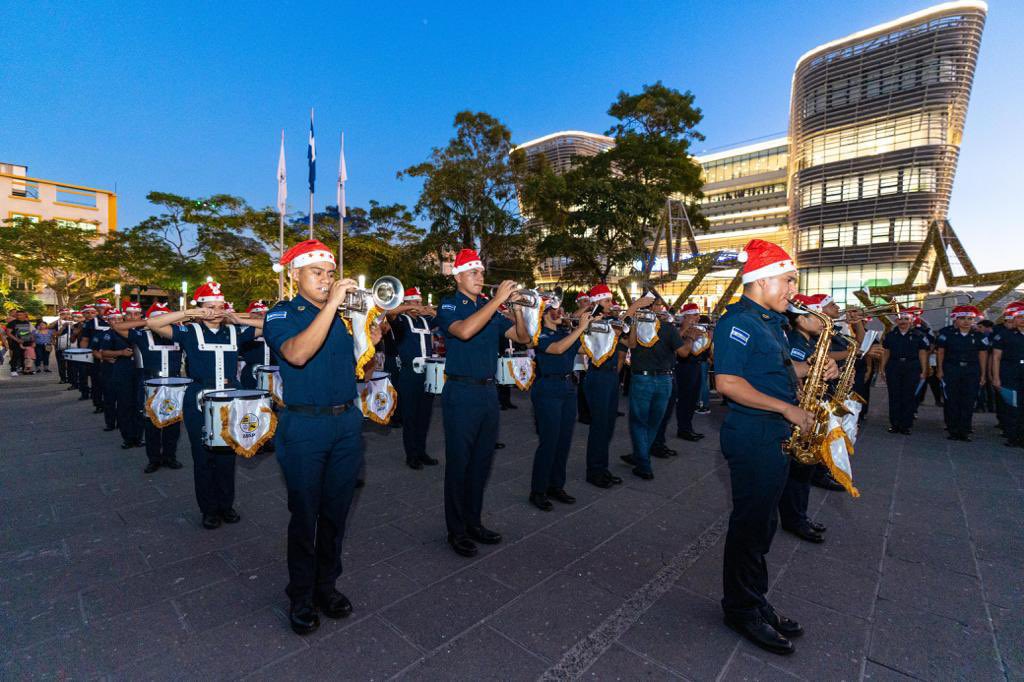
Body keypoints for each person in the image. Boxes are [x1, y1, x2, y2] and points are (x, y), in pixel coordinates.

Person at [712, 239, 838, 655]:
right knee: (750, 525)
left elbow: (775, 368)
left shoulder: (771, 321)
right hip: (753, 435)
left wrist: (815, 367)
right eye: (788, 280)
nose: (792, 289)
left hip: (773, 434)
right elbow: (728, 383)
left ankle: (754, 599)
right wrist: (788, 408)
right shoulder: (738, 322)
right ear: (762, 279)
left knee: (764, 523)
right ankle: (740, 609)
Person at [263, 239, 380, 636]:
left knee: (336, 512)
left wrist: (372, 343)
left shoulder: (347, 320)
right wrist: (332, 306)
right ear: (295, 275)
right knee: (306, 513)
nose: (327, 280)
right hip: (304, 427)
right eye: (318, 273)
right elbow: (296, 355)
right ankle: (300, 593)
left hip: (345, 422)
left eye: (330, 274)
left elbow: (360, 371)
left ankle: (326, 585)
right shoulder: (282, 314)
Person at [435, 248, 531, 558]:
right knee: (460, 463)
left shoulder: (489, 309)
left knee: (481, 463)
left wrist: (516, 308)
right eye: (474, 272)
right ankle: (456, 530)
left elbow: (523, 337)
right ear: (458, 276)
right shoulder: (450, 304)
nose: (481, 277)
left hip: (488, 392)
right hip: (461, 392)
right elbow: (463, 331)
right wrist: (495, 301)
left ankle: (474, 522)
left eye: (481, 272)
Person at [147, 281, 263, 529]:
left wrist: (239, 318)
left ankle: (226, 505)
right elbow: (153, 324)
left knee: (227, 454)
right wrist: (190, 314)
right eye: (210, 306)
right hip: (199, 397)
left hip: (230, 398)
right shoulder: (190, 331)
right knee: (203, 455)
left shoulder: (234, 331)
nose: (216, 311)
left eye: (220, 306)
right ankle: (208, 509)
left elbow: (271, 326)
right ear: (200, 308)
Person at [621, 296, 702, 480]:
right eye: (659, 305)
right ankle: (643, 460)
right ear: (654, 308)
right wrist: (689, 337)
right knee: (652, 422)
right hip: (664, 380)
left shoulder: (640, 326)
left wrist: (633, 316)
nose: (662, 307)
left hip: (643, 379)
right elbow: (683, 353)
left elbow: (631, 344)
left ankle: (642, 460)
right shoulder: (667, 328)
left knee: (640, 422)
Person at [528, 299, 591, 511]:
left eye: (560, 309)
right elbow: (556, 349)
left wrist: (605, 329)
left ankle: (556, 485)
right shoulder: (539, 334)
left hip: (567, 387)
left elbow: (585, 349)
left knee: (564, 441)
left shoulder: (566, 332)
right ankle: (538, 490)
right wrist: (580, 327)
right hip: (547, 388)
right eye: (554, 309)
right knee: (549, 441)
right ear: (544, 314)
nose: (560, 312)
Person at [778, 294, 828, 544]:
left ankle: (799, 515)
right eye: (815, 316)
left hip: (805, 407)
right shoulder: (795, 340)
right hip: (796, 409)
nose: (822, 321)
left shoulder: (807, 339)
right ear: (800, 320)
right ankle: (794, 518)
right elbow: (790, 372)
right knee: (798, 470)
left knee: (803, 471)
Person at [581, 284, 630, 489]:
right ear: (596, 302)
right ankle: (594, 471)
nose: (611, 304)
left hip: (610, 376)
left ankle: (602, 467)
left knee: (608, 425)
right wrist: (634, 307)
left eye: (610, 300)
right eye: (607, 300)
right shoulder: (591, 321)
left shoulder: (610, 321)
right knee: (600, 426)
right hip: (598, 376)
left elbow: (627, 341)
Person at [387, 287, 439, 470]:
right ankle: (411, 455)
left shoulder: (425, 321)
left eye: (419, 301)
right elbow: (389, 312)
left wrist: (429, 310)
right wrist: (405, 308)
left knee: (424, 415)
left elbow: (443, 319)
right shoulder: (401, 320)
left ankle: (421, 451)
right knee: (410, 416)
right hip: (410, 372)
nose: (418, 305)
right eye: (414, 302)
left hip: (428, 372)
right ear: (407, 303)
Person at [936, 305, 988, 441]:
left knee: (968, 401)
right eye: (963, 318)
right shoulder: (947, 334)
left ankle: (964, 431)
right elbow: (941, 352)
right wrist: (940, 370)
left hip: (971, 371)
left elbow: (982, 355)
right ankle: (953, 429)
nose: (966, 321)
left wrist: (983, 374)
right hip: (951, 369)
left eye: (970, 318)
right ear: (956, 320)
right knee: (951, 400)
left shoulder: (979, 336)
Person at [99, 306, 144, 449]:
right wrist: (121, 352)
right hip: (123, 372)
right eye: (129, 314)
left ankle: (138, 437)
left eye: (136, 314)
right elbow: (104, 353)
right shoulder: (112, 333)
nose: (132, 317)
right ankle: (128, 438)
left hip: (142, 373)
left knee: (140, 406)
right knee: (125, 406)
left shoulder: (145, 331)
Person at [881, 309, 929, 435]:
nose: (903, 322)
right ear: (896, 321)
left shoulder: (919, 335)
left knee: (909, 396)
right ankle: (894, 424)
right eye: (900, 319)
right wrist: (882, 368)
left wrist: (924, 370)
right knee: (894, 396)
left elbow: (922, 353)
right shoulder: (890, 335)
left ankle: (906, 425)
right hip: (894, 366)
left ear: (911, 321)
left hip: (912, 367)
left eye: (906, 319)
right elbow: (886, 352)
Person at [991, 302, 1024, 448]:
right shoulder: (1005, 335)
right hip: (1011, 373)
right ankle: (1013, 437)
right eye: (1020, 317)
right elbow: (996, 357)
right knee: (1013, 407)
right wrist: (996, 377)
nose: (1023, 320)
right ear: (1014, 319)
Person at [238, 301, 274, 390]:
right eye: (257, 313)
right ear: (250, 315)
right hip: (252, 371)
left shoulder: (274, 328)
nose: (262, 315)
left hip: (274, 371)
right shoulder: (244, 329)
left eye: (265, 313)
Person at [5, 310, 33, 376]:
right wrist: (17, 340)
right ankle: (13, 370)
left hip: (26, 342)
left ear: (24, 315)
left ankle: (24, 370)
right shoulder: (12, 323)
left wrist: (32, 341)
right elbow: (8, 333)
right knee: (16, 356)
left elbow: (28, 332)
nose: (18, 316)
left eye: (20, 315)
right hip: (16, 342)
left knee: (24, 356)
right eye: (17, 315)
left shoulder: (26, 322)